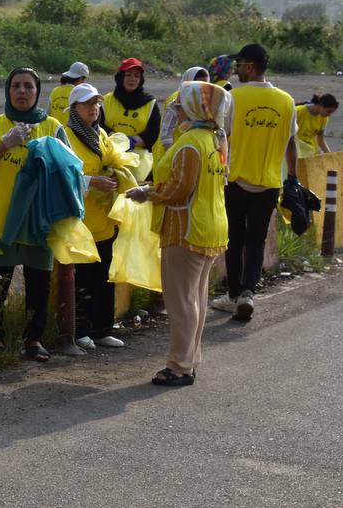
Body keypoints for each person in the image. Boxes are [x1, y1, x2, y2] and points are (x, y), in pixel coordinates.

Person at [126, 81, 232, 386]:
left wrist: (147, 192)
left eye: (183, 103)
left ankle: (179, 367)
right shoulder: (216, 138)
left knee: (182, 302)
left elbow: (179, 189)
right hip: (209, 225)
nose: (178, 108)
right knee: (194, 298)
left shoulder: (191, 144)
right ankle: (190, 359)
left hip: (186, 227)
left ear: (197, 107)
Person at [0, 67, 69, 362]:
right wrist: (5, 144)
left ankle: (34, 339)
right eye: (17, 86)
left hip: (38, 220)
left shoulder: (53, 127)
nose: (22, 91)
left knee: (38, 282)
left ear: (38, 91)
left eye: (29, 86)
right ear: (8, 91)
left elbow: (69, 171)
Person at [212, 43, 296, 321]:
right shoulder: (287, 100)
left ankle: (234, 294)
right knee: (256, 241)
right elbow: (291, 143)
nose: (236, 70)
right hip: (269, 184)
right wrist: (293, 177)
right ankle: (248, 292)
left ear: (249, 66)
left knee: (234, 240)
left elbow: (221, 138)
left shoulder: (234, 97)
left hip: (236, 180)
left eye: (239, 65)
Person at [65, 84, 136, 350]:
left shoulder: (101, 134)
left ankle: (102, 328)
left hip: (104, 219)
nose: (93, 108)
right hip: (80, 222)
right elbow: (61, 175)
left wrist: (120, 175)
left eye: (96, 103)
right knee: (82, 277)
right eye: (87, 103)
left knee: (104, 277)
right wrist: (91, 181)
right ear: (74, 108)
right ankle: (80, 329)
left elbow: (114, 161)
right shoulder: (67, 136)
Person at [100, 58, 160, 154]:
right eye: (128, 75)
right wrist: (118, 140)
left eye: (137, 76)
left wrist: (132, 141)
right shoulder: (106, 100)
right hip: (109, 153)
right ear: (120, 77)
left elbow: (153, 133)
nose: (132, 79)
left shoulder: (150, 103)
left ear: (141, 80)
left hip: (139, 159)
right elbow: (98, 126)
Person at [295, 93, 337, 158]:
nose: (329, 114)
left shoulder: (324, 119)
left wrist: (330, 156)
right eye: (328, 111)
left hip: (310, 152)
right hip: (295, 149)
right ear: (320, 105)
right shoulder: (298, 112)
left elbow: (320, 141)